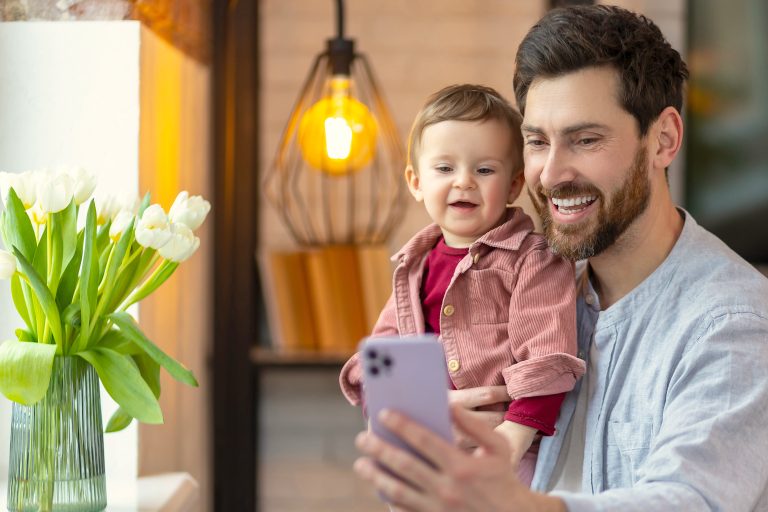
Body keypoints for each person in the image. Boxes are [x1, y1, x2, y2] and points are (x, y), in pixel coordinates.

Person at [352, 5, 768, 511]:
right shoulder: (526, 281)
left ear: (664, 140)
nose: (550, 174)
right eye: (537, 142)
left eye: (585, 140)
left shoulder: (734, 322)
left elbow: (691, 500)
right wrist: (436, 420)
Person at [339, 83, 586, 485]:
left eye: (484, 169)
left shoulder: (532, 260)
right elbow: (382, 357)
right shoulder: (413, 266)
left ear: (513, 185)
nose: (464, 182)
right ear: (416, 182)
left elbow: (547, 355)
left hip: (505, 451)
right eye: (444, 168)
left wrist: (514, 435)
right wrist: (389, 413)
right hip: (426, 448)